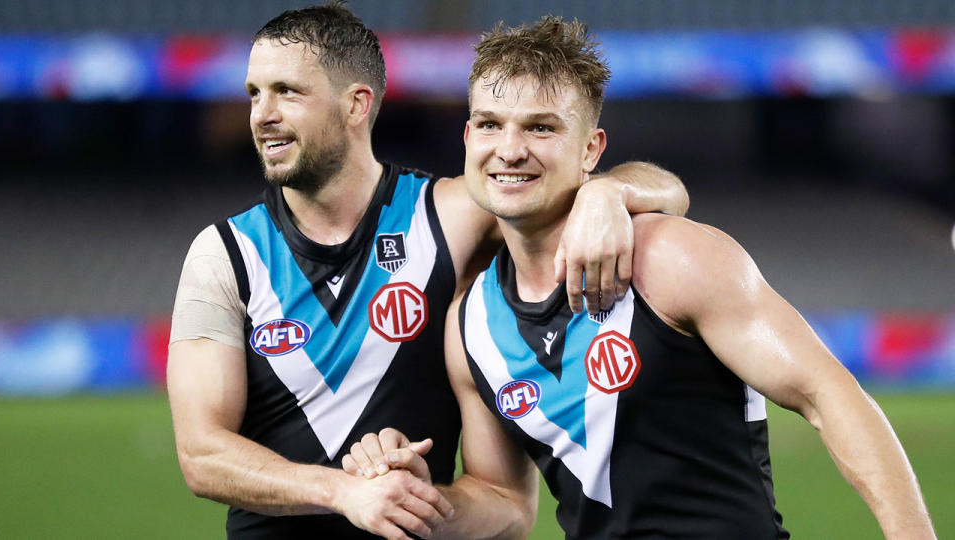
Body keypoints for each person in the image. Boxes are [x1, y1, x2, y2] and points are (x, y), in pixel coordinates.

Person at [344, 16, 937, 540]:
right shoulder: (468, 326)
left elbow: (827, 396)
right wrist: (424, 501)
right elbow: (502, 501)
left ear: (590, 148)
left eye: (542, 128)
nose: (511, 148)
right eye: (491, 125)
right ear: (468, 138)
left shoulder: (671, 260)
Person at [165, 3, 688, 539]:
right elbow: (201, 454)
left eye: (287, 92)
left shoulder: (451, 216)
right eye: (255, 93)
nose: (261, 114)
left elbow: (670, 193)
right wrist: (344, 493)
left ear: (356, 105)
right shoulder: (224, 254)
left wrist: (608, 191)